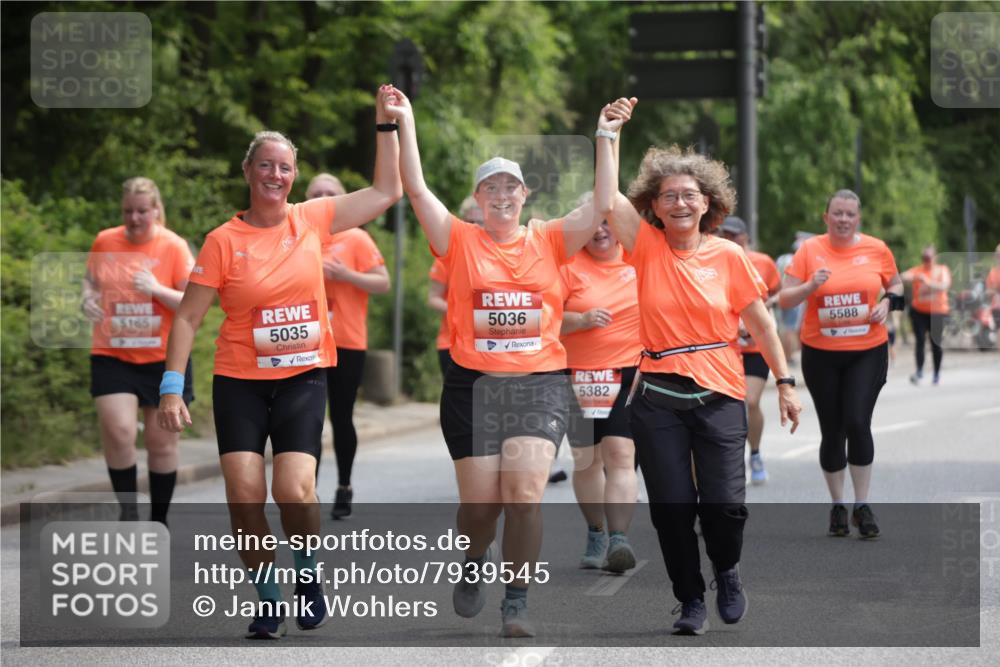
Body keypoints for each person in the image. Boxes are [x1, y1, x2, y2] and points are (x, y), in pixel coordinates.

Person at [157, 87, 401, 640]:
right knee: (244, 498)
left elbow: (388, 189)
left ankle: (308, 575)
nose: (275, 175)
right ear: (247, 171)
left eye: (285, 167)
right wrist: (172, 388)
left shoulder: (311, 219)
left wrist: (384, 125)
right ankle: (268, 596)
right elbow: (189, 318)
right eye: (265, 165)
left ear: (294, 176)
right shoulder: (222, 240)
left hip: (304, 375)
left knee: (294, 490)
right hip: (240, 380)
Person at [389, 85, 618, 637]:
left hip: (539, 383)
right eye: (490, 187)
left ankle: (515, 600)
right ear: (477, 198)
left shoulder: (550, 239)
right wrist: (405, 121)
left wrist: (605, 136)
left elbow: (603, 202)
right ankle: (473, 559)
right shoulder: (460, 240)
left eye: (510, 186)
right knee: (480, 507)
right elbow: (415, 189)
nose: (501, 195)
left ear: (525, 194)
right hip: (473, 387)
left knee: (523, 494)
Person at [596, 99, 801, 636]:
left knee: (725, 507)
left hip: (719, 395)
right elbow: (605, 198)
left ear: (707, 203)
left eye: (690, 195)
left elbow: (760, 325)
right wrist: (606, 136)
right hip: (658, 396)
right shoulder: (645, 248)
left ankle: (726, 570)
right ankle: (689, 599)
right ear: (655, 208)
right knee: (670, 508)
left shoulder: (729, 258)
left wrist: (784, 382)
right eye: (670, 197)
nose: (681, 203)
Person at [779, 189, 904, 542]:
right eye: (838, 213)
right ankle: (838, 503)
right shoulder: (809, 251)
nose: (844, 220)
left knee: (857, 420)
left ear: (858, 218)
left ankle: (862, 505)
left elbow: (896, 283)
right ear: (826, 217)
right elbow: (784, 297)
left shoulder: (876, 248)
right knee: (832, 429)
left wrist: (888, 303)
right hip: (821, 353)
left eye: (850, 214)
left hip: (867, 349)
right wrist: (809, 286)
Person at [83, 177, 194, 525]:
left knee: (161, 445)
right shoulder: (105, 240)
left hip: (164, 357)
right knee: (119, 431)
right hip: (112, 352)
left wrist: (157, 289)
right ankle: (128, 511)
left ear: (156, 210)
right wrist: (87, 297)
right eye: (128, 211)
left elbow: (193, 305)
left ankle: (158, 520)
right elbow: (90, 279)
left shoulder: (173, 247)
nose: (134, 219)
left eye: (142, 211)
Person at [559, 205, 642, 573]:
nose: (599, 230)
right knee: (588, 461)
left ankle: (619, 539)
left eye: (606, 222)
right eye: (591, 224)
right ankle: (596, 532)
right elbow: (545, 319)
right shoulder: (567, 265)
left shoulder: (638, 261)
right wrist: (580, 320)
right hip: (579, 376)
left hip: (628, 373)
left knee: (621, 455)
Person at [305, 173, 392, 519]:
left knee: (341, 416)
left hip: (346, 342)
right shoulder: (298, 235)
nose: (324, 197)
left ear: (342, 199)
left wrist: (347, 275)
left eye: (331, 193)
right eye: (317, 193)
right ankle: (304, 490)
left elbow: (382, 283)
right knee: (306, 419)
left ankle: (344, 485)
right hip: (303, 341)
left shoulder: (356, 238)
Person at [720, 216, 781, 485]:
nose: (730, 239)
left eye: (735, 235)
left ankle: (754, 453)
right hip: (726, 346)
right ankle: (733, 460)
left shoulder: (764, 263)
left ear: (746, 237)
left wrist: (764, 309)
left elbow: (778, 292)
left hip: (755, 346)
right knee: (730, 407)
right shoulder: (715, 260)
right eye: (725, 234)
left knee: (751, 401)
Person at [428, 197, 484, 379]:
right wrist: (463, 309)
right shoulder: (448, 255)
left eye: (480, 221)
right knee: (460, 404)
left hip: (491, 346)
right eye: (470, 221)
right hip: (452, 344)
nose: (475, 225)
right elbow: (433, 299)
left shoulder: (502, 254)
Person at [902, 245, 951, 385]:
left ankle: (936, 373)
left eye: (928, 258)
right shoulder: (919, 270)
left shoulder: (942, 270)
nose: (926, 261)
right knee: (919, 341)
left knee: (936, 343)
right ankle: (919, 371)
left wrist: (928, 282)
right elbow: (902, 276)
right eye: (924, 258)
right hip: (919, 312)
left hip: (938, 312)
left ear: (935, 257)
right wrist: (914, 277)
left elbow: (945, 286)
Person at [987, 243, 1000, 351]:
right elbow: (988, 292)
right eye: (998, 256)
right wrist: (995, 288)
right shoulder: (993, 273)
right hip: (997, 306)